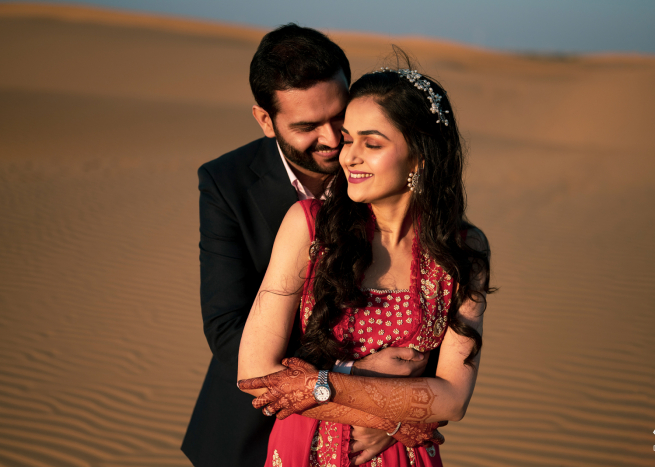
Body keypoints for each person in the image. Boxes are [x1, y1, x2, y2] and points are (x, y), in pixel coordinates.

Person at [182, 26, 439, 467]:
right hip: (253, 432)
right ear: (266, 120)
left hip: (373, 440)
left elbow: (430, 299)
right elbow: (227, 329)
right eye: (306, 126)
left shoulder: (388, 167)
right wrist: (353, 381)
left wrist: (394, 408)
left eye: (339, 116)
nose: (334, 138)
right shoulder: (227, 183)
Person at [238, 61, 493, 466]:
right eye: (347, 139)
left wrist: (322, 384)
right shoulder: (308, 227)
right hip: (306, 447)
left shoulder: (461, 250)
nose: (349, 157)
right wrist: (387, 415)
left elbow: (454, 398)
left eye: (371, 144)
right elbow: (255, 374)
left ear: (420, 157)